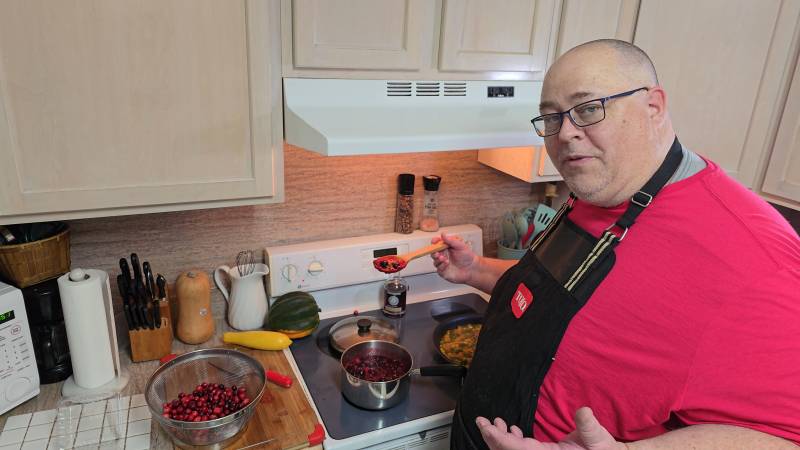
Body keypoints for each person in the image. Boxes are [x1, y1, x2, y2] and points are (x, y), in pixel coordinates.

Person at [431, 39, 800, 450]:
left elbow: (785, 436)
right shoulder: (595, 191)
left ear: (654, 106)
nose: (566, 133)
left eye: (588, 109)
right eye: (551, 117)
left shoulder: (757, 258)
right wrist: (476, 270)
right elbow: (563, 298)